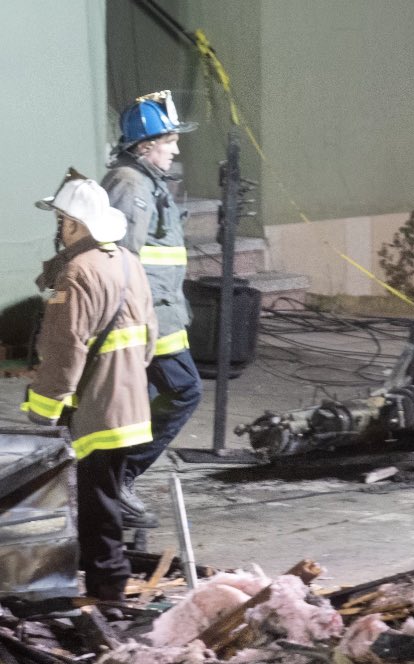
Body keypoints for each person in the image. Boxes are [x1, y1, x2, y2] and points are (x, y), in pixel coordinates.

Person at [22, 169, 158, 602]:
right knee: (101, 500)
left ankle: (107, 593)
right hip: (131, 408)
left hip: (96, 413)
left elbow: (65, 353)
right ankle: (96, 580)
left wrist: (41, 414)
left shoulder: (78, 273)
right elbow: (150, 340)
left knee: (98, 508)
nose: (59, 229)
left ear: (77, 225)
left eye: (62, 220)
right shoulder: (128, 263)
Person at [102, 90, 203, 529]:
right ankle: (116, 483)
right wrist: (131, 321)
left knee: (145, 401)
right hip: (146, 315)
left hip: (162, 310)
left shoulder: (144, 181)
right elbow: (120, 257)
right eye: (169, 141)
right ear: (146, 145)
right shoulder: (131, 184)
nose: (176, 148)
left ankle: (106, 485)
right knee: (182, 390)